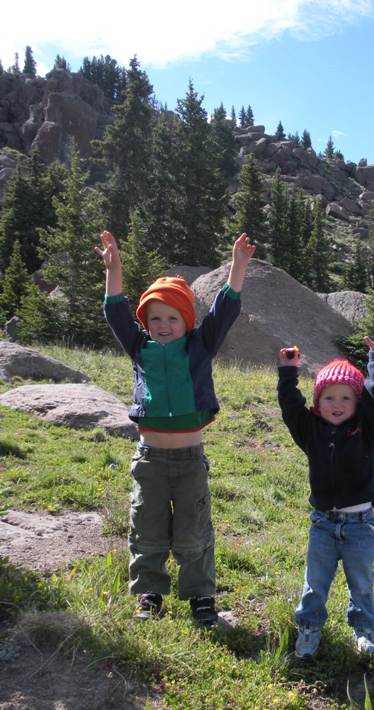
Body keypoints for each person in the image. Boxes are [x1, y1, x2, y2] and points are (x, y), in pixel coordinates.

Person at [97, 230, 255, 624]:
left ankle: (201, 595)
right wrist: (114, 269)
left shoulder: (199, 348)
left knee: (192, 530)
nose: (164, 325)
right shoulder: (140, 349)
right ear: (146, 322)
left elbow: (225, 311)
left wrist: (237, 267)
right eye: (156, 318)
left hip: (189, 460)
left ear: (186, 321)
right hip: (149, 460)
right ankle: (150, 592)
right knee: (146, 527)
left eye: (172, 318)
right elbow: (114, 309)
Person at [277, 329, 374, 657]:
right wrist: (288, 372)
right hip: (323, 525)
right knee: (315, 583)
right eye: (329, 397)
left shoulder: (366, 429)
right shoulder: (310, 431)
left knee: (361, 583)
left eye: (346, 397)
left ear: (358, 402)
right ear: (317, 403)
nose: (337, 404)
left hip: (359, 525)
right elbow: (290, 408)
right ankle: (309, 629)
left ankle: (365, 630)